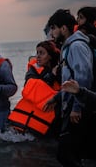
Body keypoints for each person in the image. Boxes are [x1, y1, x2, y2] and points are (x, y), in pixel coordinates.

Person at [43, 9, 93, 167]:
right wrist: (56, 98)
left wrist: (77, 108)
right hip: (71, 106)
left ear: (63, 28)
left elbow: (84, 77)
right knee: (73, 154)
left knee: (65, 155)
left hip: (76, 109)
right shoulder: (68, 47)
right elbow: (70, 81)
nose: (52, 32)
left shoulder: (76, 46)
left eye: (53, 28)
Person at [8, 40, 61, 137]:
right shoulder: (32, 70)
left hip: (46, 121)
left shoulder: (60, 71)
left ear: (50, 56)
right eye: (37, 52)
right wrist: (51, 76)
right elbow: (30, 87)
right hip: (25, 123)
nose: (38, 56)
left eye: (42, 53)